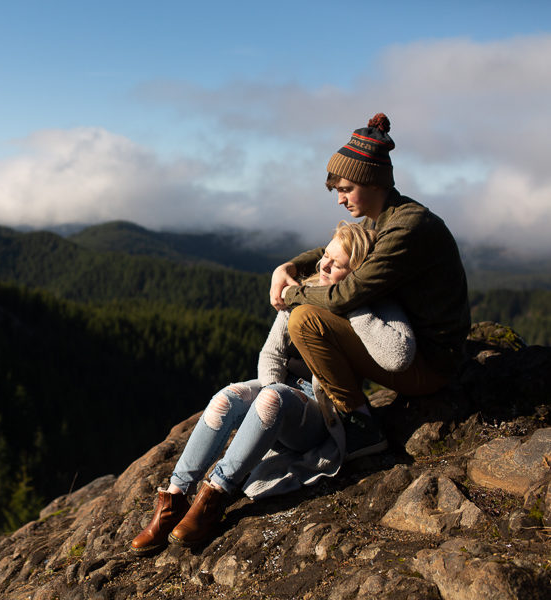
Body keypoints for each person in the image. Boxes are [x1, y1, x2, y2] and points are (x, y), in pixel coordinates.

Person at [130, 221, 416, 555]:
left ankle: (215, 496)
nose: (323, 265)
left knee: (271, 399)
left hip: (325, 411)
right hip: (285, 395)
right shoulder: (307, 289)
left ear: (359, 273)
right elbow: (271, 353)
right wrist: (273, 396)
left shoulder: (377, 303)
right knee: (227, 397)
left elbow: (398, 355)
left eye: (336, 264)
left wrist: (355, 302)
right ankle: (175, 497)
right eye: (325, 255)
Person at [270, 113, 470, 458]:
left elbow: (347, 294)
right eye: (337, 190)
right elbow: (332, 250)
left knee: (304, 319)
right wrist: (289, 266)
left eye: (346, 189)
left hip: (429, 366)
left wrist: (291, 293)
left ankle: (360, 426)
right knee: (314, 302)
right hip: (421, 351)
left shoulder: (407, 228)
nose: (340, 199)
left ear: (374, 182)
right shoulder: (388, 218)